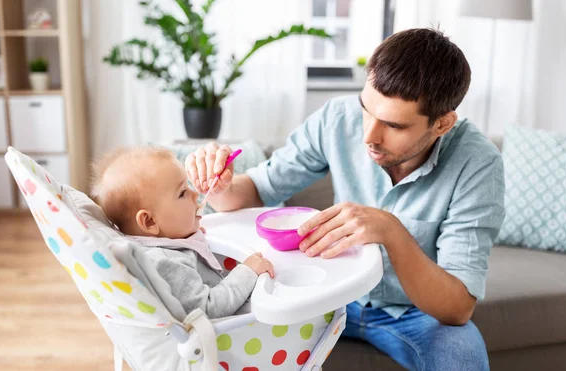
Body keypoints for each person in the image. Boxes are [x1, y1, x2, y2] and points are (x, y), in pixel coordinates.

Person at [185, 28, 504, 370]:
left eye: (394, 126)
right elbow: (256, 190)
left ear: (442, 123)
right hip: (327, 295)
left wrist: (391, 232)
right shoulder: (336, 119)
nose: (369, 136)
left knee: (464, 361)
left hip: (414, 313)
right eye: (366, 109)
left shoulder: (478, 163)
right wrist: (219, 186)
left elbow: (456, 309)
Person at [90, 147, 274, 319]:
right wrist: (247, 271)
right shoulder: (166, 263)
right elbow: (208, 308)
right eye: (182, 193)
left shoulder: (166, 240)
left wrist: (189, 235)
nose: (195, 194)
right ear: (150, 221)